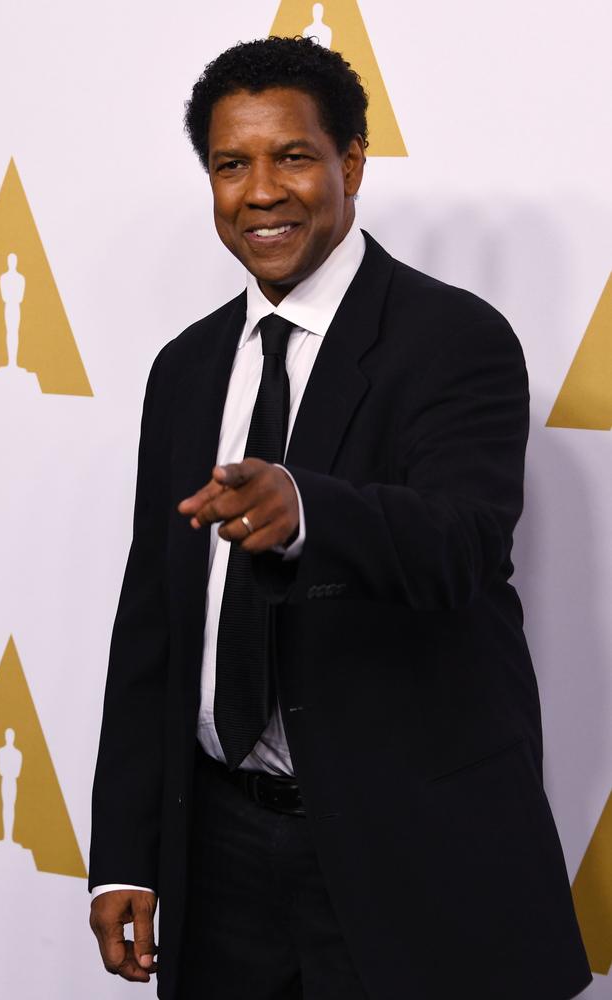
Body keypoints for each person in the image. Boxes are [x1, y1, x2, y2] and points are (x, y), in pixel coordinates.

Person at [89, 36, 592, 1000]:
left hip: (400, 848)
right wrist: (126, 854)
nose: (261, 191)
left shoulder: (455, 338)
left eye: (292, 156)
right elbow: (153, 617)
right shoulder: (185, 368)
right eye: (232, 165)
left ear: (350, 162)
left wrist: (309, 506)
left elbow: (465, 544)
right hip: (219, 852)